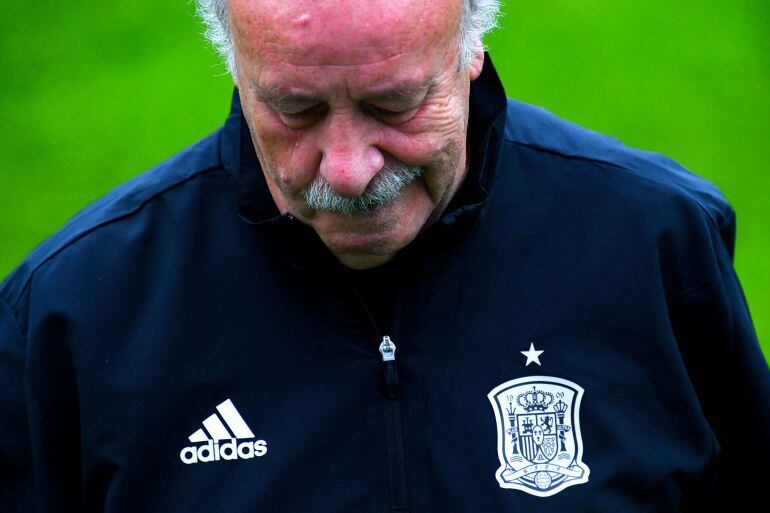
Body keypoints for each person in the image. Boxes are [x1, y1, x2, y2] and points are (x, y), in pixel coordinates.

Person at [1, 0, 768, 511]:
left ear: (470, 50)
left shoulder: (659, 245)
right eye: (294, 108)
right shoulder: (70, 317)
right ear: (233, 61)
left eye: (393, 104)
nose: (347, 168)